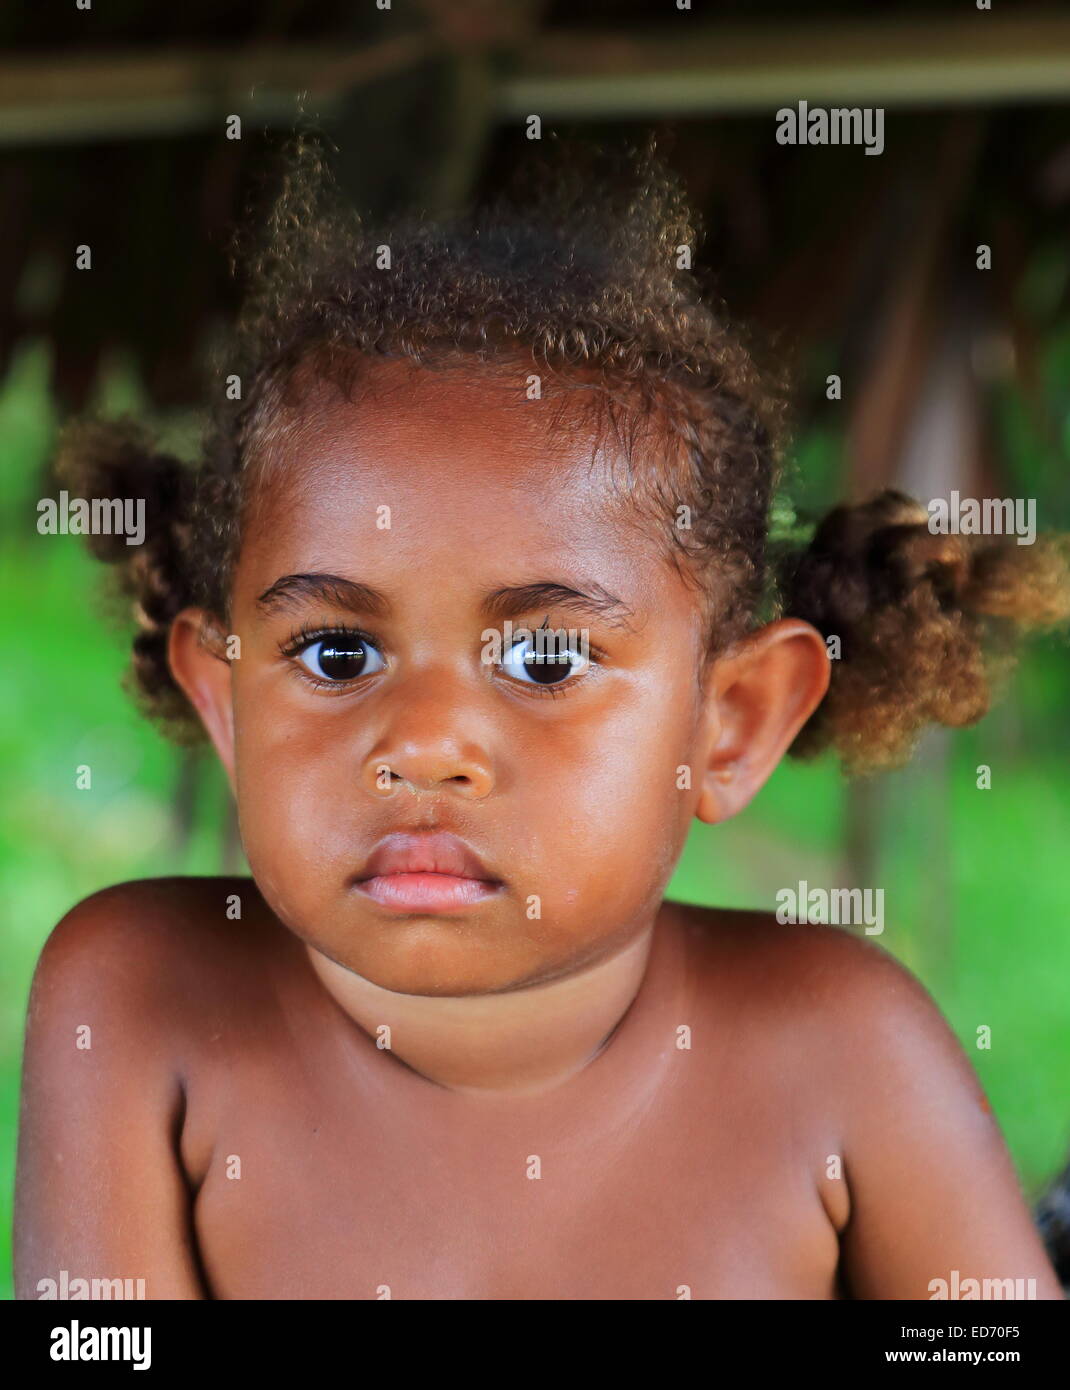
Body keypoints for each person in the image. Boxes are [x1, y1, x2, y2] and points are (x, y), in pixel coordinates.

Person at [15, 136, 1070, 1299]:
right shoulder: (142, 999)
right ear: (223, 699)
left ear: (728, 725)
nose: (421, 744)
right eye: (336, 652)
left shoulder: (841, 1049)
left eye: (544, 657)